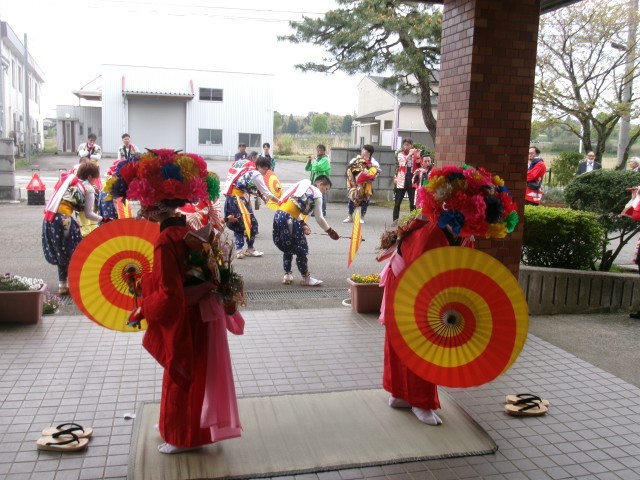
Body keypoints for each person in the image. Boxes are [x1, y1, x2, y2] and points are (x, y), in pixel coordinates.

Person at [106, 148, 245, 454]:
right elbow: (178, 280)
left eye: (143, 206)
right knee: (194, 375)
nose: (141, 211)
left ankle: (184, 437)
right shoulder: (187, 230)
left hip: (185, 316)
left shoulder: (164, 241)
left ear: (152, 208)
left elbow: (170, 294)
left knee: (180, 378)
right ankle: (182, 430)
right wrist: (144, 285)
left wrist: (144, 307)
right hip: (198, 314)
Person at [378, 164, 519, 425]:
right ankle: (419, 401)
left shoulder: (460, 233)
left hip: (420, 285)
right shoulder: (431, 233)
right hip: (408, 285)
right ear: (456, 210)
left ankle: (401, 394)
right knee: (419, 343)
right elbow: (423, 277)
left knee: (411, 342)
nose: (475, 228)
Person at [42, 162, 104, 295]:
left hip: (50, 218)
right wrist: (103, 219)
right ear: (89, 176)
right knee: (74, 251)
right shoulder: (89, 188)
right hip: (64, 219)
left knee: (61, 251)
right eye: (95, 178)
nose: (95, 181)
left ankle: (62, 285)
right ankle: (75, 283)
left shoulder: (70, 182)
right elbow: (88, 214)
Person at [273, 176, 340, 286]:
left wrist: (302, 223)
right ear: (320, 184)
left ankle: (287, 274)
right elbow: (319, 218)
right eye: (326, 189)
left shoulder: (303, 187)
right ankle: (306, 277)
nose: (325, 192)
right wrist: (330, 231)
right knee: (301, 248)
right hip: (289, 218)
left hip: (278, 215)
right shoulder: (317, 194)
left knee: (287, 245)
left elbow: (293, 207)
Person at [224, 156, 280, 258]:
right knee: (250, 224)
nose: (265, 172)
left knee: (239, 224)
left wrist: (262, 197)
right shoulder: (256, 174)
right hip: (238, 200)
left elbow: (252, 188)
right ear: (260, 167)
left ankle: (240, 250)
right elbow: (267, 193)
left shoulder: (248, 170)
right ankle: (247, 249)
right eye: (265, 170)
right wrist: (280, 202)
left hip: (231, 199)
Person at [343, 145, 380, 224]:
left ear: (369, 152)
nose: (362, 151)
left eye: (364, 150)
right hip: (354, 183)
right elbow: (349, 168)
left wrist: (369, 174)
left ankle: (362, 217)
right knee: (351, 198)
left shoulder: (374, 162)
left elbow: (376, 173)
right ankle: (350, 216)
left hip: (366, 184)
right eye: (362, 150)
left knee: (365, 200)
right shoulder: (356, 159)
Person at [392, 139, 422, 222]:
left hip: (412, 180)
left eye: (408, 145)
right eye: (405, 145)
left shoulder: (415, 154)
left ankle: (412, 221)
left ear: (411, 145)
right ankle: (395, 220)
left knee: (413, 203)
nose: (406, 146)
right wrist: (410, 154)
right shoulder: (400, 154)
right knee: (397, 202)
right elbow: (402, 163)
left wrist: (418, 155)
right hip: (402, 181)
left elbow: (419, 166)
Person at [305, 144, 331, 217]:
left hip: (322, 181)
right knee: (314, 196)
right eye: (317, 150)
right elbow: (309, 168)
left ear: (323, 151)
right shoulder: (317, 159)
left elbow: (318, 167)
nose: (318, 152)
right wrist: (309, 161)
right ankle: (315, 211)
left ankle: (322, 211)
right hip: (315, 180)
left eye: (319, 150)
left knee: (321, 196)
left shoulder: (325, 159)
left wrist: (314, 161)